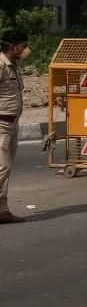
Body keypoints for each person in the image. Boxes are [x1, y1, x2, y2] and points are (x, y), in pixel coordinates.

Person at [0, 27, 30, 224]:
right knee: (2, 168)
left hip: (12, 124)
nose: (26, 50)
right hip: (1, 125)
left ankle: (2, 211)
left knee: (6, 169)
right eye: (23, 46)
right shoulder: (1, 66)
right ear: (12, 46)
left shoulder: (12, 65)